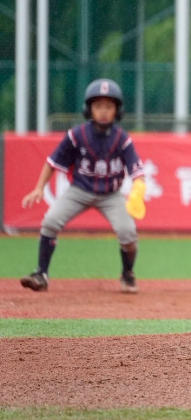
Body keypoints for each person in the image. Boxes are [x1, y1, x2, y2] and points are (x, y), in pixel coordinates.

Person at [20, 79, 146, 294]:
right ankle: (41, 274)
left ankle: (127, 273)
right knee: (50, 221)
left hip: (111, 194)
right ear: (89, 109)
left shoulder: (122, 139)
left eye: (109, 106)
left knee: (128, 234)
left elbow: (137, 171)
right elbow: (52, 162)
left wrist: (138, 188)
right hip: (79, 190)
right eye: (98, 106)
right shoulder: (76, 135)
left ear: (117, 111)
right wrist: (40, 187)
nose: (104, 111)